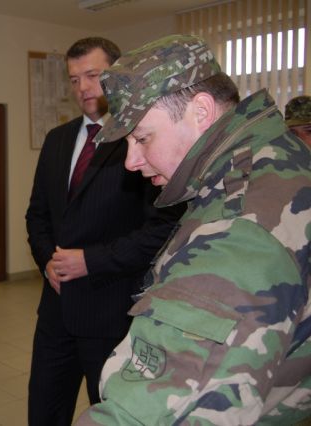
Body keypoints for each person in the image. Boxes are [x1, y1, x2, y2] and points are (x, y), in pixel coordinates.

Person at [76, 34, 311, 425]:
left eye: (142, 138)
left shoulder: (237, 226)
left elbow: (146, 414)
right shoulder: (278, 158)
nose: (131, 161)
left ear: (200, 111)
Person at [25, 37, 184, 426]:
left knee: (111, 415)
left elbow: (162, 227)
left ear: (117, 76)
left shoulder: (140, 140)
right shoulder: (58, 140)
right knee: (44, 412)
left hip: (112, 311)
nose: (83, 88)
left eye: (93, 75)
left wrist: (90, 261)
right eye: (74, 79)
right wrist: (48, 261)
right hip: (56, 312)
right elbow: (37, 214)